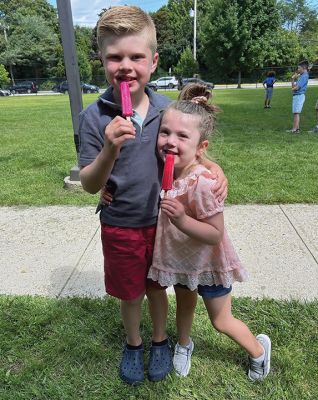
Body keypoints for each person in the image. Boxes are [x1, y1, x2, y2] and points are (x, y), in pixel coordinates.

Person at [78, 6, 228, 385]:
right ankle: (133, 343)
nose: (125, 66)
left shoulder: (167, 110)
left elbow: (188, 149)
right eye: (114, 57)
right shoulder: (93, 117)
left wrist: (213, 166)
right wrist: (110, 149)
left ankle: (160, 341)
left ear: (154, 61)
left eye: (136, 56)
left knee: (157, 288)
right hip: (122, 225)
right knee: (130, 294)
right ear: (102, 61)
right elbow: (89, 183)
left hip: (165, 224)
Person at [148, 83, 271, 381]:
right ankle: (184, 343)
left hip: (209, 264)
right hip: (182, 261)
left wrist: (181, 219)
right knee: (185, 306)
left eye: (182, 136)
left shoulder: (202, 182)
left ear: (201, 147)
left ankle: (258, 351)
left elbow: (215, 234)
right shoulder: (168, 169)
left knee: (221, 320)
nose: (170, 141)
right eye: (165, 133)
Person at [287, 60, 309, 134]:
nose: (298, 70)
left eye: (299, 68)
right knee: (296, 113)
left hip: (299, 96)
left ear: (304, 68)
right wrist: (292, 79)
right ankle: (297, 129)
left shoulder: (304, 76)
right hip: (297, 96)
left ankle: (294, 129)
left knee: (296, 113)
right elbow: (294, 86)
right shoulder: (302, 76)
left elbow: (297, 87)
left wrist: (292, 90)